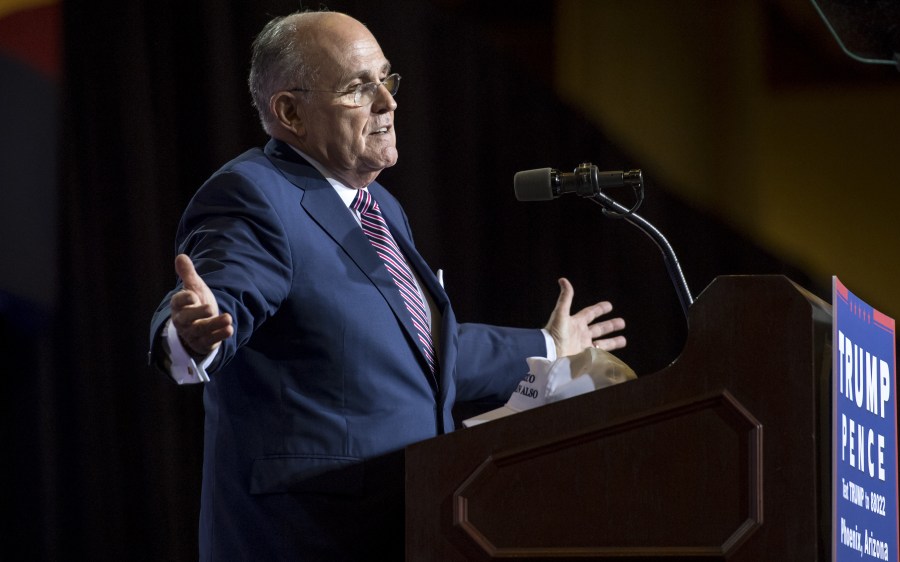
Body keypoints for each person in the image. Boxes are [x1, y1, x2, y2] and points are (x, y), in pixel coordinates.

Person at [148, 10, 625, 561]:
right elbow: (221, 298)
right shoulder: (254, 196)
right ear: (290, 112)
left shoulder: (381, 208)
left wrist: (546, 348)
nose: (388, 102)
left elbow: (413, 354)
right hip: (307, 538)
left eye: (387, 79)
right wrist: (188, 334)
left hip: (410, 526)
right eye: (359, 87)